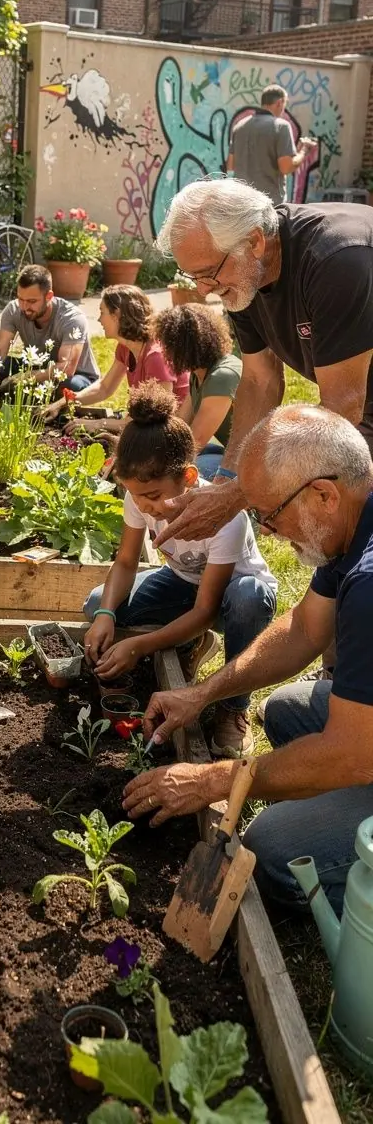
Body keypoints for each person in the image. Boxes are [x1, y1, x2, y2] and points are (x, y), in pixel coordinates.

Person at [124, 404, 373, 917]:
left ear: (323, 494)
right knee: (285, 711)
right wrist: (202, 694)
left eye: (268, 513)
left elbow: (353, 754)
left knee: (273, 851)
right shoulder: (350, 526)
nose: (266, 528)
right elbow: (304, 629)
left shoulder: (369, 583)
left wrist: (213, 779)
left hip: (362, 750)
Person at [154, 178, 373, 549]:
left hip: (353, 405)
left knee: (354, 527)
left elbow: (343, 411)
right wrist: (226, 479)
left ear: (254, 241)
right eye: (193, 277)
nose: (204, 290)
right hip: (358, 405)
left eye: (208, 272)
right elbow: (259, 381)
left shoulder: (336, 262)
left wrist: (241, 495)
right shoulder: (243, 278)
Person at [82, 383, 276, 757]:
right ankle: (186, 643)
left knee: (250, 598)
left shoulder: (224, 519)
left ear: (188, 478)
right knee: (94, 604)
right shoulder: (139, 498)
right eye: (135, 494)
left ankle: (233, 709)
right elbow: (125, 562)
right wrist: (106, 615)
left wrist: (138, 645)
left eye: (153, 496)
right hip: (183, 583)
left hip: (231, 597)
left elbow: (206, 610)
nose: (144, 505)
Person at [44, 284, 188, 432]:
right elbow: (104, 388)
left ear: (117, 315)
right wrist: (63, 403)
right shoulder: (125, 348)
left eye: (102, 312)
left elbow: (155, 417)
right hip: (149, 424)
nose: (99, 320)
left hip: (172, 430)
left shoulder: (156, 355)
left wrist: (99, 424)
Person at [0, 264, 100, 396]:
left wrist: (26, 377)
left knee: (67, 385)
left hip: (77, 376)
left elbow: (66, 368)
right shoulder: (13, 310)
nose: (25, 307)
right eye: (20, 299)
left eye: (32, 301)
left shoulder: (72, 318)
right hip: (37, 366)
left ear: (49, 296)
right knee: (0, 368)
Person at [154, 303, 242, 480]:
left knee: (191, 470)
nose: (164, 352)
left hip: (255, 463)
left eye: (167, 345)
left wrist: (151, 467)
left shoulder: (222, 375)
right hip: (233, 454)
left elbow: (195, 441)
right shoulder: (198, 374)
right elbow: (181, 425)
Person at [226, 84, 316, 203]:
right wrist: (304, 150)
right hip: (269, 204)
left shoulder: (240, 126)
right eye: (284, 104)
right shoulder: (281, 126)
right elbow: (286, 167)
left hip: (242, 203)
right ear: (279, 102)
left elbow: (231, 165)